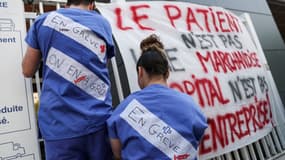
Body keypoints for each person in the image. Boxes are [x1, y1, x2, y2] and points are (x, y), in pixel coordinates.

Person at [22, 0, 114, 159]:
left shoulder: (43, 21)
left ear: (66, 4)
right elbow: (103, 65)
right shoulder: (102, 23)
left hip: (58, 125)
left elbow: (27, 70)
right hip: (98, 121)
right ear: (91, 5)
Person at [107, 34, 208, 160]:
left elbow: (118, 154)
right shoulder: (193, 108)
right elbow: (198, 139)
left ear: (140, 71)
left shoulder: (121, 112)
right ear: (167, 72)